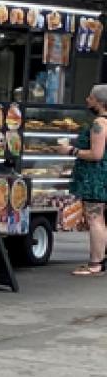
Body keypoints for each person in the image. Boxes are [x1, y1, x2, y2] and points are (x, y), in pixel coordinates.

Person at [67, 84, 107, 276]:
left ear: (99, 102)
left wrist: (71, 150)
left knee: (95, 219)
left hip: (96, 177)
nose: (87, 100)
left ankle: (95, 263)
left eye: (90, 97)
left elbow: (96, 154)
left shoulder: (100, 123)